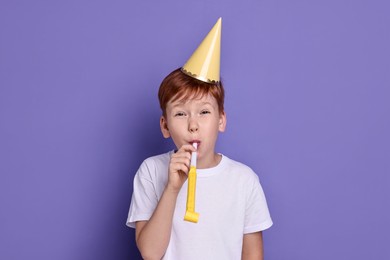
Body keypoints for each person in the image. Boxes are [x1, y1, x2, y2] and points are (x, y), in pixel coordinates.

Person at [126, 18, 273, 260]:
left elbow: (253, 256)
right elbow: (150, 254)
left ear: (221, 120)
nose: (193, 125)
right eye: (181, 114)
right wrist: (172, 188)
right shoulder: (151, 171)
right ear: (165, 126)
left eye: (204, 112)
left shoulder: (243, 181)